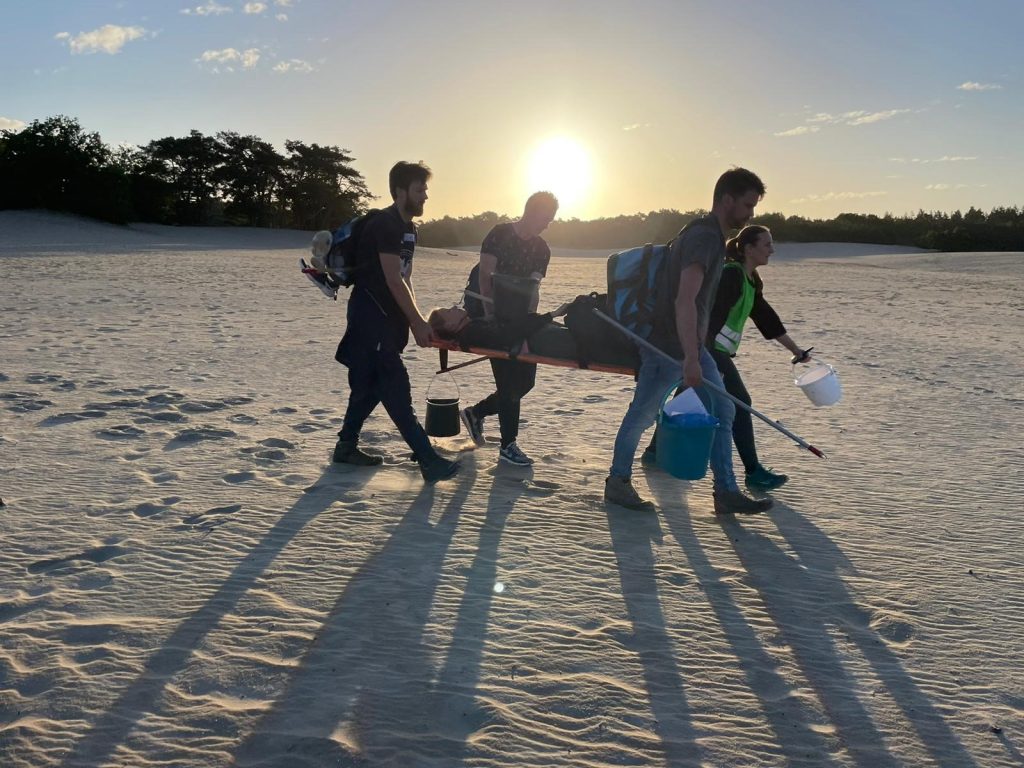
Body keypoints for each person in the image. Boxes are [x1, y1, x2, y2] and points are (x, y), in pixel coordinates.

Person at [605, 168, 773, 515]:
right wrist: (691, 359)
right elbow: (685, 299)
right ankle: (618, 483)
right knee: (643, 414)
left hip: (690, 347)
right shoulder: (703, 239)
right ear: (727, 199)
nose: (750, 215)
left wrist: (697, 352)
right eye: (747, 205)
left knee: (724, 408)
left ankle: (725, 491)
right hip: (668, 345)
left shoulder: (706, 234)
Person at [333, 161, 459, 483]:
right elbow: (391, 279)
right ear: (400, 191)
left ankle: (346, 446)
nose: (425, 196)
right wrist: (417, 322)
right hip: (370, 317)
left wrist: (414, 319)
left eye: (425, 189)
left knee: (367, 388)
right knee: (394, 387)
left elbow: (405, 278)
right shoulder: (385, 225)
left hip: (389, 321)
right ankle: (428, 459)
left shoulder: (409, 230)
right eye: (419, 190)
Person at [704, 225, 813, 490]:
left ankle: (654, 452)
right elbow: (709, 319)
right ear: (749, 249)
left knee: (689, 397)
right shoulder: (731, 275)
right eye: (767, 245)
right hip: (708, 349)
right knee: (741, 403)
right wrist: (704, 358)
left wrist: (796, 351)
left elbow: (767, 319)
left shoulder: (751, 280)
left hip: (714, 351)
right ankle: (753, 472)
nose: (772, 250)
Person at [459, 191, 559, 466]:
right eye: (546, 218)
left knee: (526, 381)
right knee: (508, 381)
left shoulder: (542, 249)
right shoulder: (499, 234)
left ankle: (476, 413)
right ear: (531, 212)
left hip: (518, 317)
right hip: (487, 312)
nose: (547, 224)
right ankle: (508, 445)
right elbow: (484, 279)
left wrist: (528, 323)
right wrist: (493, 320)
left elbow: (533, 288)